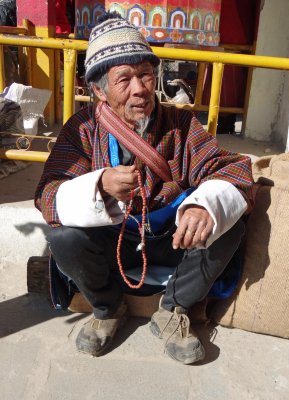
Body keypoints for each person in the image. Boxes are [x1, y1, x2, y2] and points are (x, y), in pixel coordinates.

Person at [35, 11, 254, 365]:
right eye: (124, 79)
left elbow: (232, 169)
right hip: (112, 244)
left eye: (146, 75)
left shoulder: (181, 124)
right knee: (62, 237)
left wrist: (205, 206)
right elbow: (48, 194)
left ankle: (173, 309)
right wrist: (98, 185)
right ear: (98, 90)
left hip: (171, 241)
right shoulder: (82, 130)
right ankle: (107, 308)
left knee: (229, 225)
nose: (140, 89)